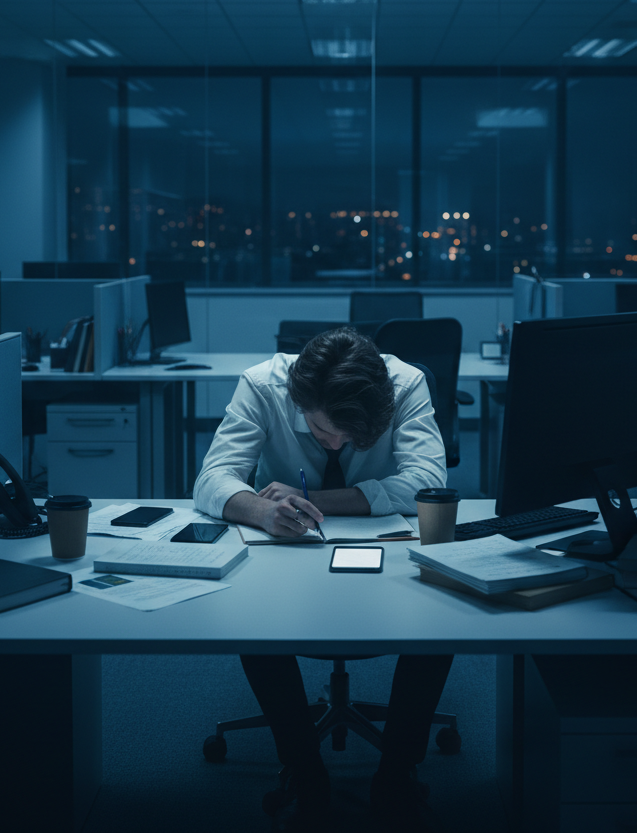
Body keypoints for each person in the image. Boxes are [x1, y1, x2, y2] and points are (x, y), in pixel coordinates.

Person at [193, 327, 453, 832]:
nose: (334, 443)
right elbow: (212, 478)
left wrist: (317, 500)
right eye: (320, 430)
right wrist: (263, 512)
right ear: (299, 399)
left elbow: (427, 482)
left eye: (350, 436)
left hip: (388, 548)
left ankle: (397, 773)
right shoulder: (262, 385)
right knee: (254, 620)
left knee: (442, 610)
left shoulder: (406, 384)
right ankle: (304, 771)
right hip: (285, 552)